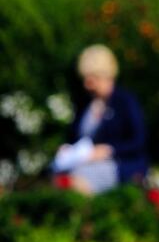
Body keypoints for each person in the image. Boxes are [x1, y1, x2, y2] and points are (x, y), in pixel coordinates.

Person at [52, 44, 148, 194]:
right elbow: (74, 138)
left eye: (92, 80)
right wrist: (67, 149)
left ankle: (83, 215)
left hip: (118, 163)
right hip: (82, 163)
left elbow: (138, 141)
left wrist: (108, 150)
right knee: (58, 175)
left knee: (78, 178)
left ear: (105, 75)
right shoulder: (85, 104)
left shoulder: (125, 101)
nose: (87, 85)